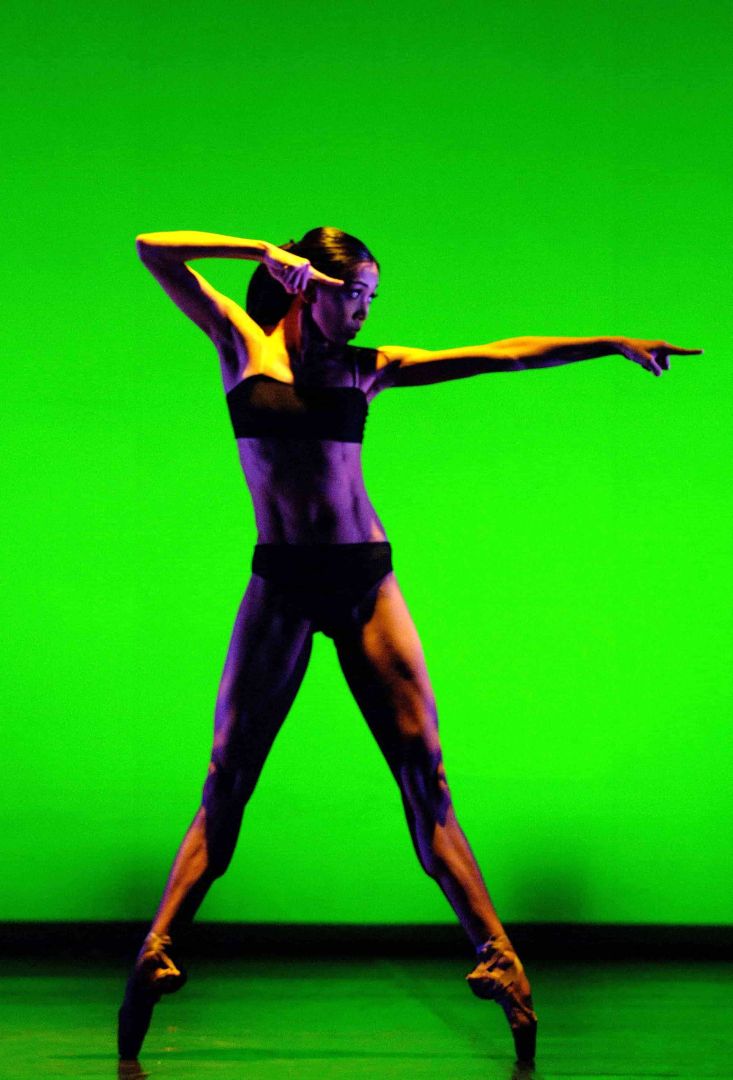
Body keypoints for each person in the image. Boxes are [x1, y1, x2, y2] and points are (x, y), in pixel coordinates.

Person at [117, 226, 703, 1072]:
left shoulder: (367, 368)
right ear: (309, 284)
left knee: (425, 778)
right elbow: (153, 248)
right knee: (226, 779)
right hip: (281, 581)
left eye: (371, 299)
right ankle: (157, 949)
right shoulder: (240, 344)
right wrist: (260, 253)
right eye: (353, 295)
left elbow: (501, 355)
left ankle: (497, 955)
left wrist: (610, 343)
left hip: (364, 580)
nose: (363, 313)